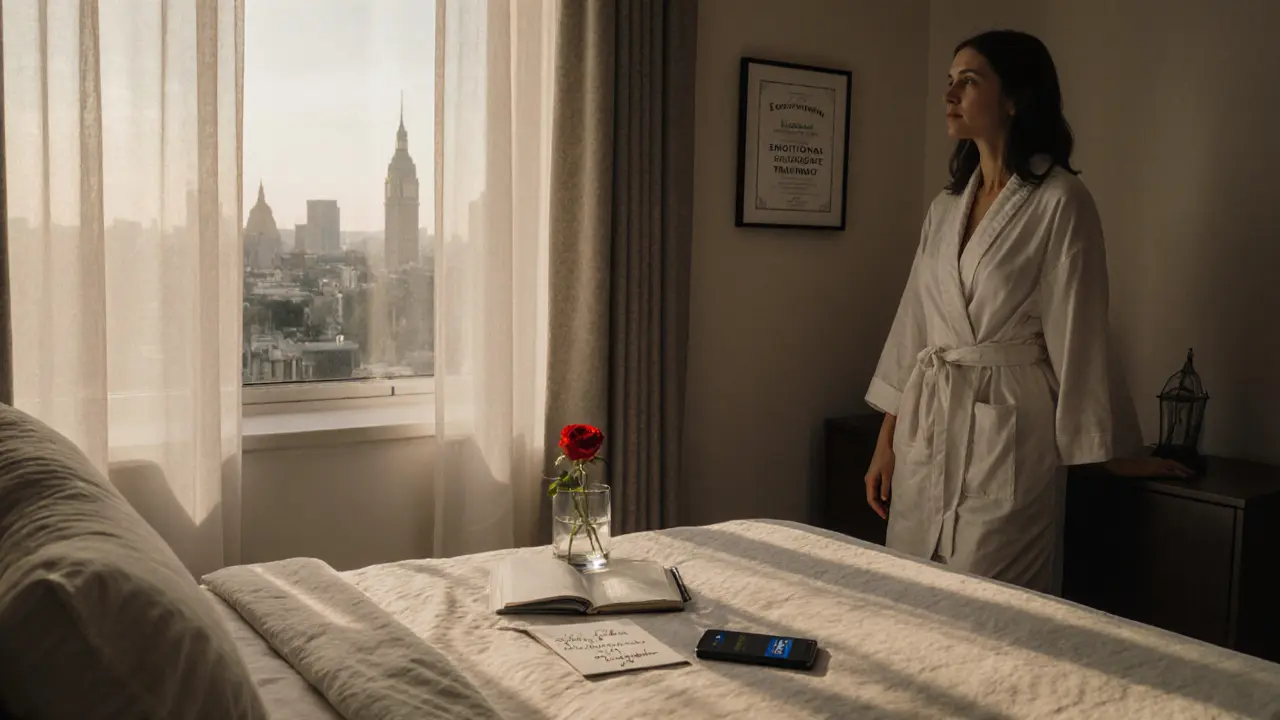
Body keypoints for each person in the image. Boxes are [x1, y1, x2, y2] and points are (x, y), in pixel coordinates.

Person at [863, 30, 1189, 594]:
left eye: (969, 81)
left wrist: (1114, 453)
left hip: (1011, 428)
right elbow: (914, 327)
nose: (950, 94)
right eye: (950, 82)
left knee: (998, 607)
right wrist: (886, 439)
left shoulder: (1061, 202)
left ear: (1015, 97)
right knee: (912, 596)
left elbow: (1080, 333)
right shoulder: (945, 208)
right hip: (930, 420)